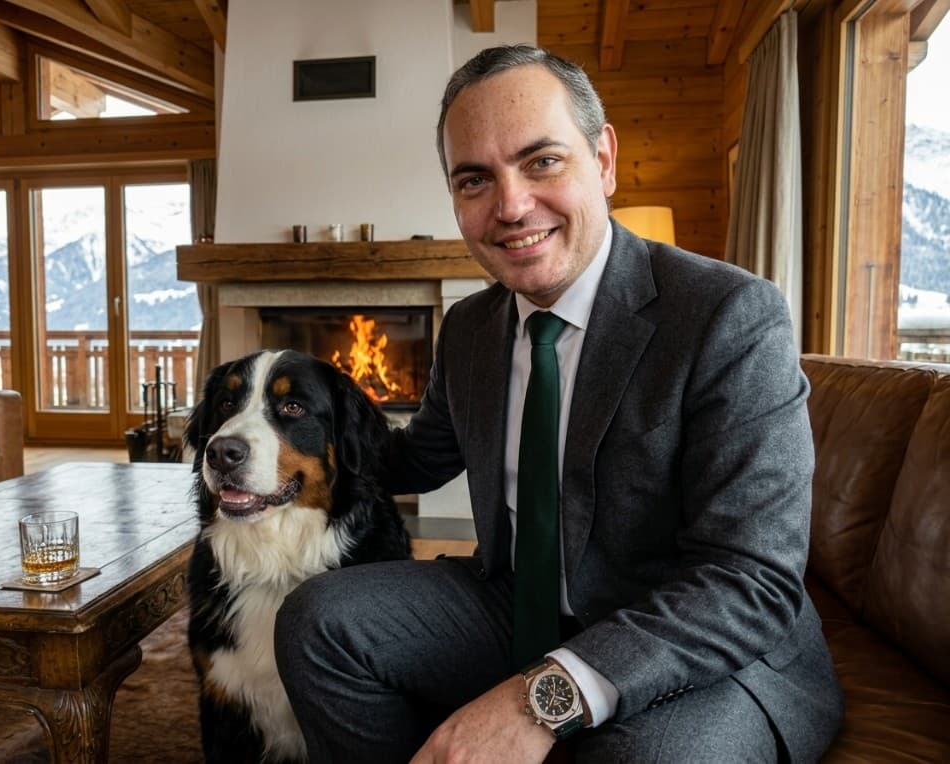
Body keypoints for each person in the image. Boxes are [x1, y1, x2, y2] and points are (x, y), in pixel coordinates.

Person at [274, 44, 844, 763]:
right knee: (318, 623)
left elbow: (748, 580)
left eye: (542, 161)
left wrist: (540, 699)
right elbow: (414, 458)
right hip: (517, 603)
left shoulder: (729, 315)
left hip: (701, 643)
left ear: (602, 159)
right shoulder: (474, 328)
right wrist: (287, 427)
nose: (511, 206)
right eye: (475, 179)